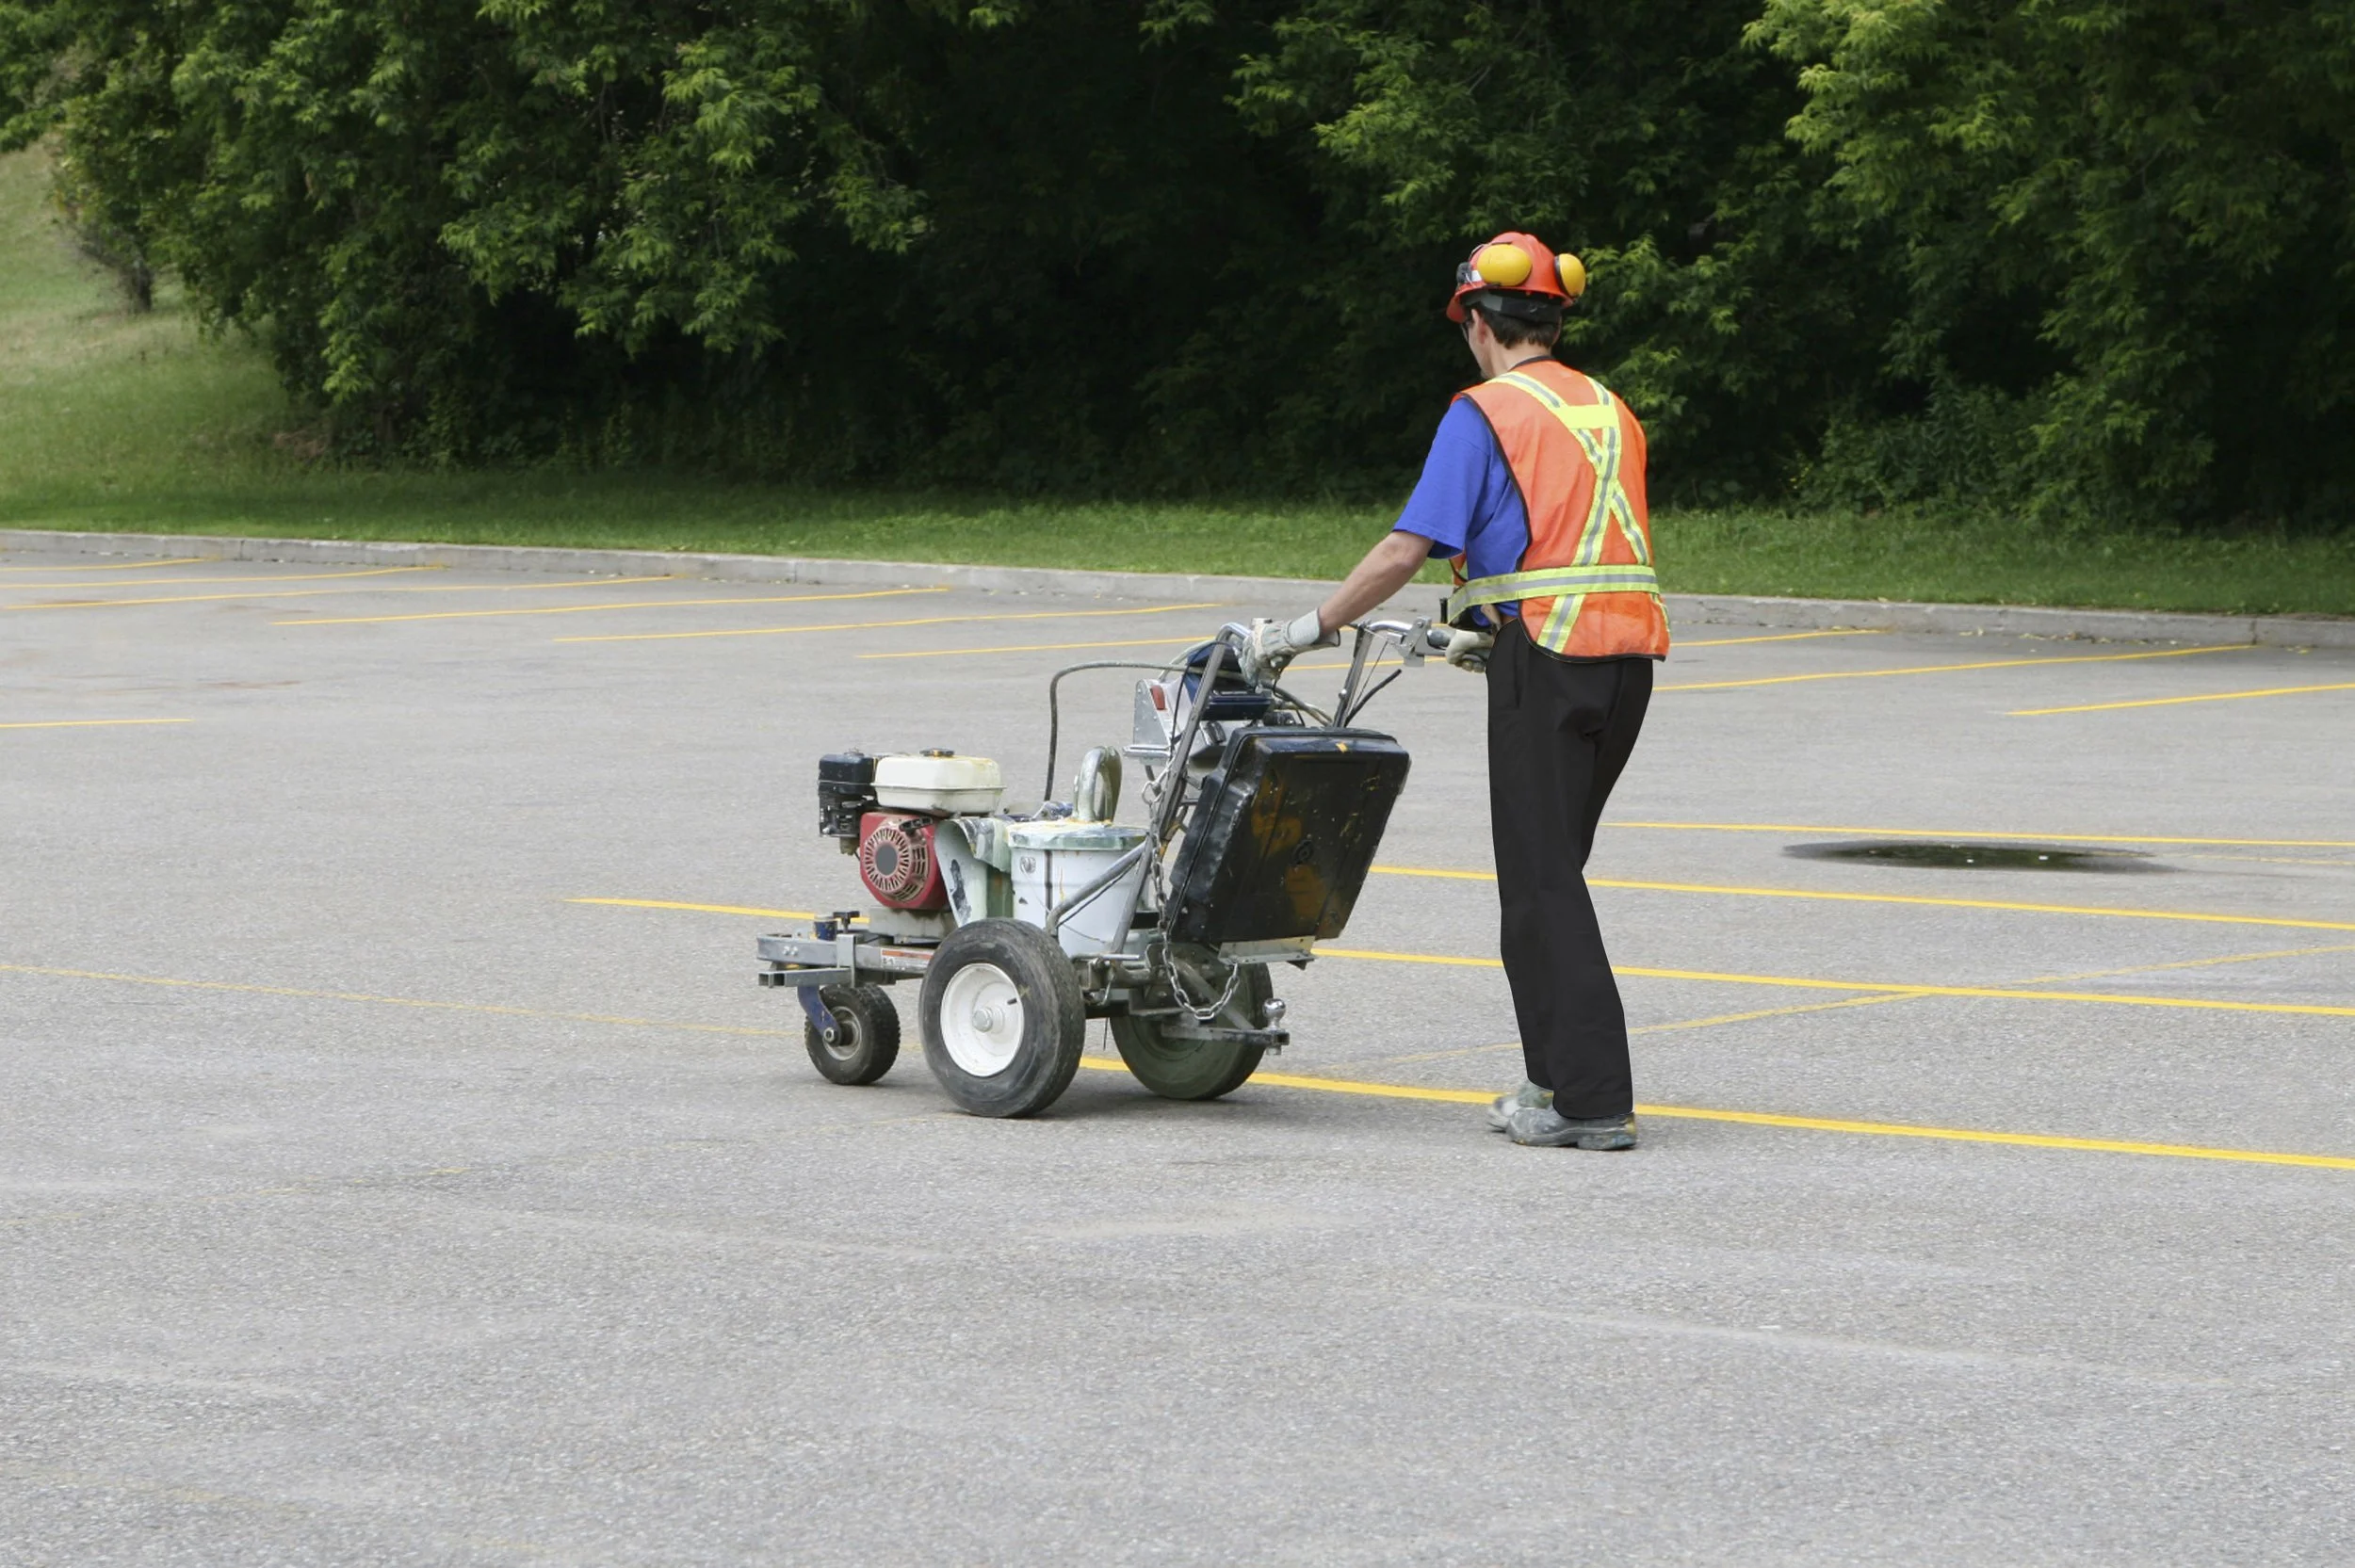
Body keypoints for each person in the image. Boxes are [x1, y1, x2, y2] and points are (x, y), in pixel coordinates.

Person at [1242, 231, 1668, 1150]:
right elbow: (1567, 540)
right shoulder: (1608, 408)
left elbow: (1405, 548)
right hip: (1625, 660)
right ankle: (1550, 1082)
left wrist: (1304, 631)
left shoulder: (1487, 411)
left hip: (1546, 660)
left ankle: (1586, 1099)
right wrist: (1479, 619)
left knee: (1540, 880)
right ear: (1553, 319)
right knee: (1551, 874)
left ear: (1478, 323)